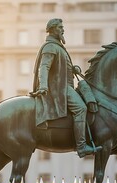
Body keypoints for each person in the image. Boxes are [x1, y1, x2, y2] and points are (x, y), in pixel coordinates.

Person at [31, 18, 102, 158]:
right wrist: (44, 86)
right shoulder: (50, 46)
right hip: (59, 88)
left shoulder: (58, 46)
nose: (63, 29)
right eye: (60, 27)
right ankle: (81, 146)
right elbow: (44, 67)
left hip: (65, 85)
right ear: (52, 29)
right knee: (81, 108)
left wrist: (72, 69)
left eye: (62, 27)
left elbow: (59, 68)